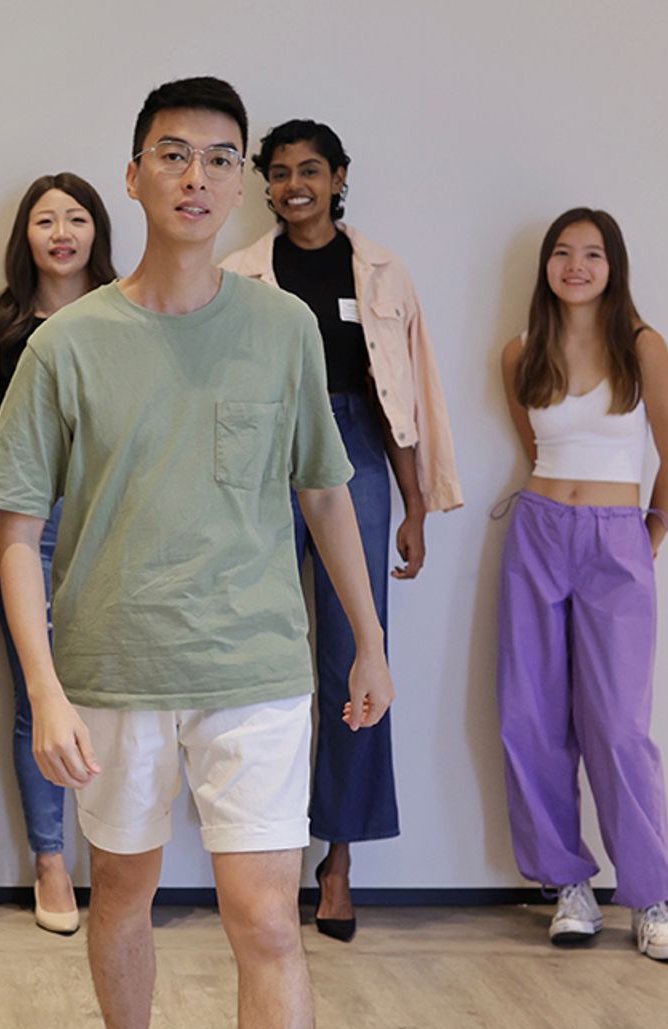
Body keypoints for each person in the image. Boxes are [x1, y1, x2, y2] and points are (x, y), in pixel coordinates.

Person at [0, 76, 389, 1029]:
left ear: (241, 178)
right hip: (113, 668)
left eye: (219, 158)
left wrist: (367, 636)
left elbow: (325, 493)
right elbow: (15, 529)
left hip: (257, 667)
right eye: (173, 154)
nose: (196, 177)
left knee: (267, 918)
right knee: (122, 893)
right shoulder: (68, 342)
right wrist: (47, 689)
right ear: (136, 174)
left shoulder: (285, 328)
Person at [223, 119, 463, 940]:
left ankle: (339, 856)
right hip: (262, 450)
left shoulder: (383, 273)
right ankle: (264, 843)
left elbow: (403, 393)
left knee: (358, 653)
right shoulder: (239, 273)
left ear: (338, 178)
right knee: (260, 650)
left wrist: (417, 504)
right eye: (280, 173)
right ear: (265, 184)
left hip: (355, 443)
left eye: (311, 171)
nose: (295, 186)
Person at [498, 208, 668, 962]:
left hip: (617, 539)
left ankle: (649, 898)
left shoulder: (641, 346)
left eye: (592, 254)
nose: (575, 266)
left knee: (618, 725)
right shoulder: (521, 352)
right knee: (531, 718)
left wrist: (646, 540)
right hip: (538, 532)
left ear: (614, 267)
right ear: (546, 265)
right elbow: (534, 446)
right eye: (562, 252)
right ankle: (568, 886)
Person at [0, 172, 117, 934]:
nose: (62, 234)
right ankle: (51, 859)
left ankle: (119, 857)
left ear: (98, 229)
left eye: (76, 219)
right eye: (45, 221)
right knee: (40, 699)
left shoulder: (128, 311)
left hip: (113, 526)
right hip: (24, 530)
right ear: (24, 236)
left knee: (118, 697)